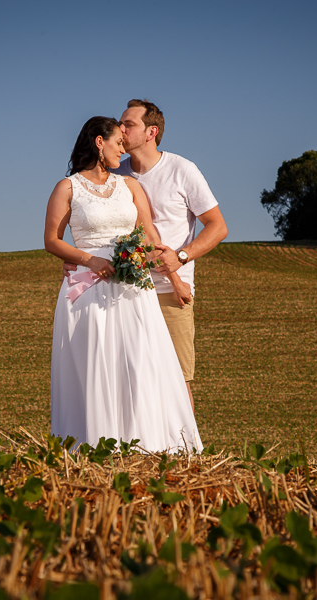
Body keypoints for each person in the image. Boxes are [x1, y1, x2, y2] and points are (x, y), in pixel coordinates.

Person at [44, 116, 202, 453]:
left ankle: (150, 445)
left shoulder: (130, 186)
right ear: (99, 143)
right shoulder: (67, 187)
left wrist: (160, 268)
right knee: (94, 366)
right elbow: (52, 240)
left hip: (132, 288)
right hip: (87, 289)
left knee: (139, 362)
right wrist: (89, 260)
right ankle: (92, 444)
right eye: (117, 142)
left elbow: (148, 233)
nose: (123, 149)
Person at [116, 99, 228, 412]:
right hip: (127, 292)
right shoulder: (117, 173)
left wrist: (181, 256)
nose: (120, 130)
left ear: (151, 131)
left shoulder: (182, 170)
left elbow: (218, 227)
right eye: (120, 124)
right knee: (131, 379)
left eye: (129, 124)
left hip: (171, 293)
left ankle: (188, 455)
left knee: (178, 381)